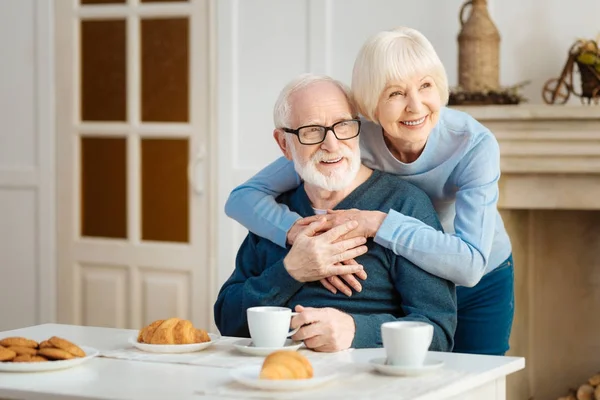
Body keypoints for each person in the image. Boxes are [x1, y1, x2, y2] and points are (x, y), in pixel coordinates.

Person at [224, 27, 514, 356]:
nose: (415, 106)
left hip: (478, 268)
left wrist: (379, 224)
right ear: (370, 106)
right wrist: (301, 242)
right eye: (394, 93)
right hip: (409, 265)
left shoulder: (473, 144)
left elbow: (469, 268)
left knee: (478, 374)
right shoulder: (350, 134)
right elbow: (243, 198)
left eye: (426, 85)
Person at [214, 74, 456, 352]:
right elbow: (227, 321)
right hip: (279, 377)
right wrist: (290, 271)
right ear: (284, 144)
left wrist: (356, 331)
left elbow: (439, 333)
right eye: (312, 131)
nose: (331, 145)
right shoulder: (273, 214)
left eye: (342, 125)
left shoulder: (404, 204)